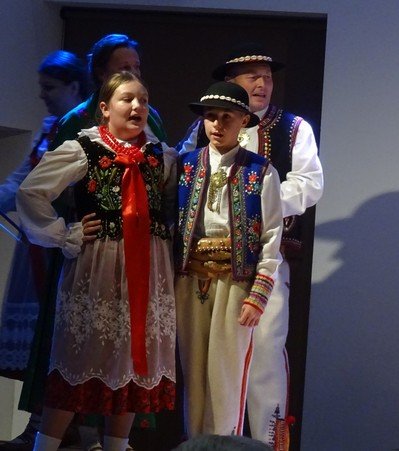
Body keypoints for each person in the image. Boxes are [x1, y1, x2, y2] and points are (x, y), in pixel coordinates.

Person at [16, 71, 177, 451]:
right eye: (127, 99)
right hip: (99, 267)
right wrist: (63, 233)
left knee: (134, 365)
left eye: (143, 99)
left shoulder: (161, 157)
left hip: (147, 271)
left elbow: (173, 204)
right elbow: (31, 191)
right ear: (104, 108)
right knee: (77, 361)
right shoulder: (84, 149)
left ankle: (117, 446)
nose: (137, 106)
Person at [178, 42, 323, 448]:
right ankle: (208, 442)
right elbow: (183, 177)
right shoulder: (203, 127)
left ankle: (265, 443)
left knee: (264, 356)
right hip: (205, 268)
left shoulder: (293, 127)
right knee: (206, 362)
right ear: (231, 82)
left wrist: (257, 202)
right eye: (252, 77)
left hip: (263, 262)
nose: (262, 84)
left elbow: (310, 184)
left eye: (268, 77)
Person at [175, 81, 284, 438]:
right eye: (211, 117)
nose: (217, 125)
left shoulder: (261, 171)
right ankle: (195, 445)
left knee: (226, 377)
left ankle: (222, 445)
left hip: (235, 282)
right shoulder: (184, 166)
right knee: (193, 376)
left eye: (227, 117)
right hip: (190, 281)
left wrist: (258, 294)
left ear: (243, 122)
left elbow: (271, 237)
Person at [0, 50, 90, 451]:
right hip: (39, 247)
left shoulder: (84, 133)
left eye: (49, 87)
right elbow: (21, 183)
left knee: (62, 338)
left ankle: (64, 428)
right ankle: (42, 425)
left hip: (66, 247)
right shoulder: (50, 129)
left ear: (74, 86)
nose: (42, 95)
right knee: (40, 338)